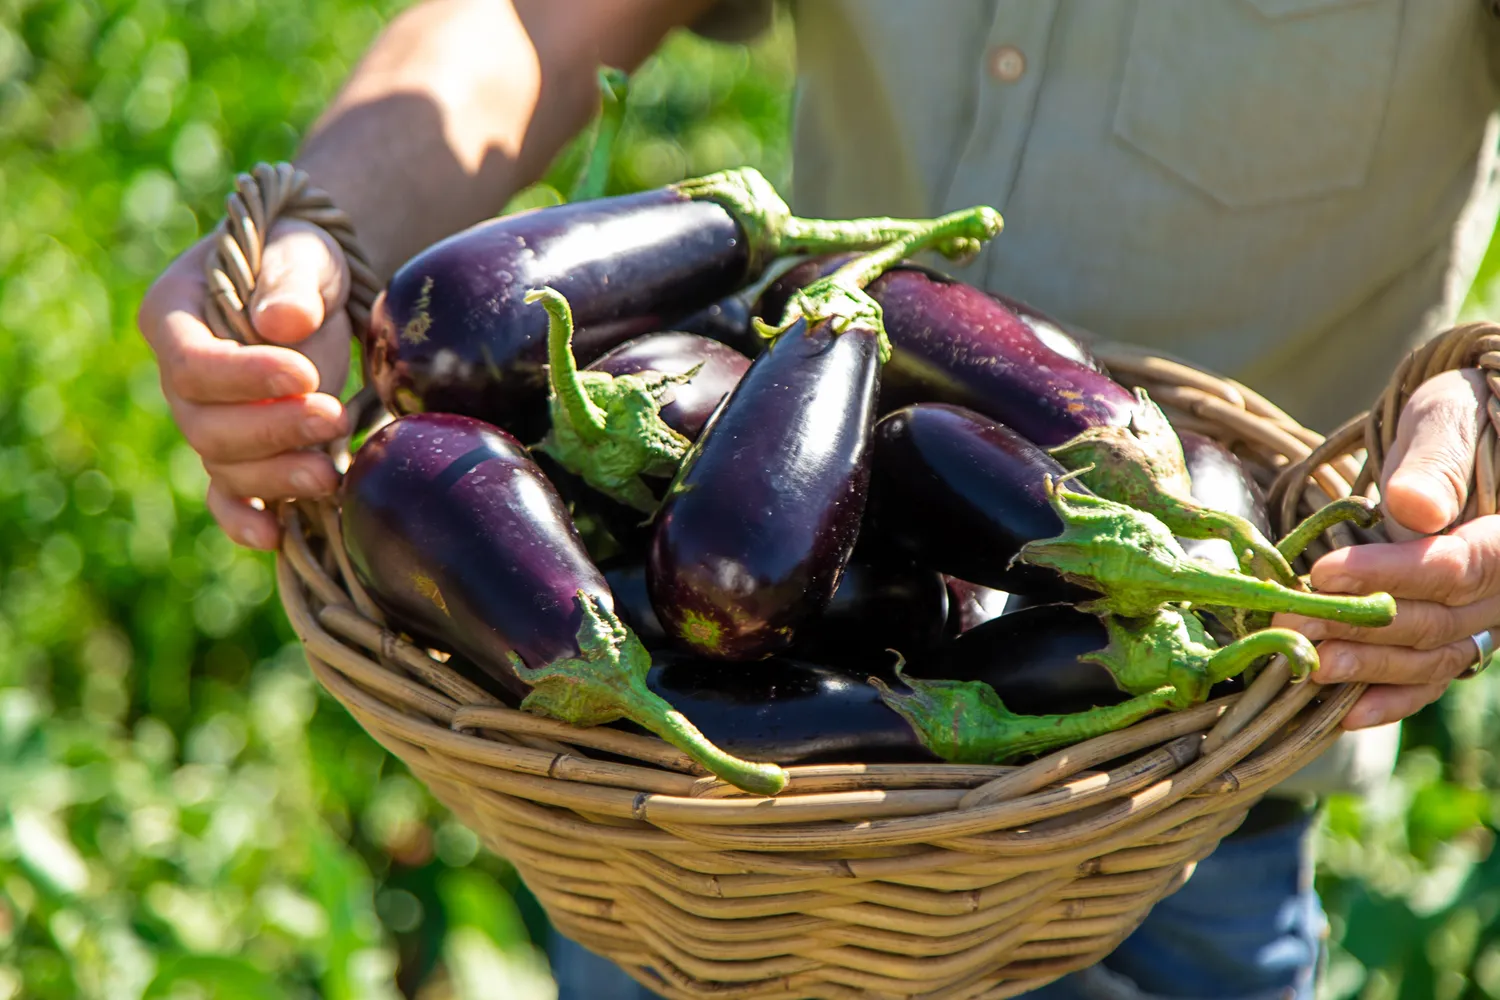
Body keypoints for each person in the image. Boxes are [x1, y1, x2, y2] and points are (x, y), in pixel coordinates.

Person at [136, 1, 1500, 996]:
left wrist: (1480, 430)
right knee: (737, 590)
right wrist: (322, 234)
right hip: (687, 849)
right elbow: (530, 20)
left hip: (1189, 817)